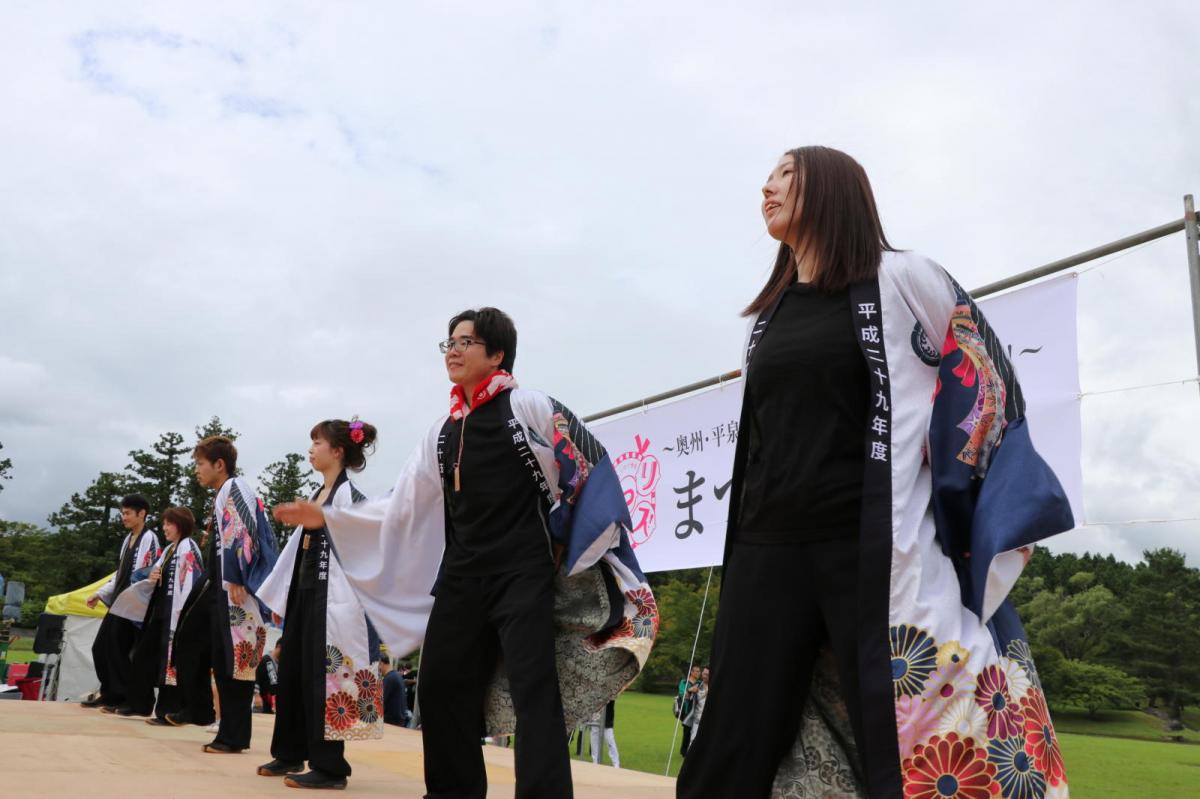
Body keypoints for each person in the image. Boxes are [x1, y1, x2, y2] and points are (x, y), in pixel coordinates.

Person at [676, 146, 1076, 799]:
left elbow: (987, 383)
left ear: (831, 188)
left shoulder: (905, 278)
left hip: (868, 547)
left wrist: (962, 510)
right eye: (768, 176)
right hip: (766, 546)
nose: (767, 187)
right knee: (732, 737)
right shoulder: (767, 315)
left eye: (785, 174)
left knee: (912, 728)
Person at [275, 307, 659, 799]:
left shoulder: (531, 407)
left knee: (535, 691)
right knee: (438, 687)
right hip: (461, 575)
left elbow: (590, 467)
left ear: (497, 354)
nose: (453, 350)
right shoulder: (442, 430)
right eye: (449, 343)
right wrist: (329, 516)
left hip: (523, 572)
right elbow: (402, 504)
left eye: (466, 342)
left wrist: (567, 541)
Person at [256, 419, 381, 790]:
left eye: (317, 442)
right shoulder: (317, 494)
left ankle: (330, 767)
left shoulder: (351, 498)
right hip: (305, 593)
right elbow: (297, 552)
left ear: (338, 451)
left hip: (333, 601)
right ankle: (290, 751)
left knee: (323, 675)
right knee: (293, 669)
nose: (311, 449)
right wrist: (283, 595)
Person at [167, 436, 279, 755]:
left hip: (235, 585)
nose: (197, 471)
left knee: (235, 660)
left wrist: (239, 576)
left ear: (219, 464)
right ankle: (201, 711)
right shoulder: (223, 492)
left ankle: (233, 735)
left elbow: (244, 531)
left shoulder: (234, 487)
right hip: (221, 582)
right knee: (204, 646)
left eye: (200, 464)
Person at [107, 507, 203, 721]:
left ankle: (166, 710)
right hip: (160, 613)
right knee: (142, 656)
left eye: (169, 523)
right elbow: (146, 574)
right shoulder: (170, 549)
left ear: (181, 525)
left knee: (170, 662)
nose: (165, 528)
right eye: (164, 523)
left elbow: (190, 583)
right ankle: (139, 703)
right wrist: (152, 574)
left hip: (175, 614)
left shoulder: (188, 546)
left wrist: (183, 617)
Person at [82, 494, 160, 711]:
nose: (123, 518)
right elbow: (121, 573)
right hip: (119, 601)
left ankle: (124, 696)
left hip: (132, 604)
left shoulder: (149, 538)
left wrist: (133, 602)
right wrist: (99, 593)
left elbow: (143, 575)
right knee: (101, 647)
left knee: (119, 650)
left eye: (127, 513)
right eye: (122, 513)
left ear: (141, 513)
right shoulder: (128, 540)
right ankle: (109, 692)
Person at [676, 665, 701, 757]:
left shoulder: (700, 682)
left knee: (696, 731)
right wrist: (690, 690)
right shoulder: (684, 682)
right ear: (691, 672)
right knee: (687, 732)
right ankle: (684, 752)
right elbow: (683, 695)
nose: (698, 673)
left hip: (698, 710)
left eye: (699, 671)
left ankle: (693, 750)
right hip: (687, 711)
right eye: (696, 671)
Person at [380, 655, 410, 727]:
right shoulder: (395, 676)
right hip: (397, 721)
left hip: (391, 722)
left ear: (380, 663)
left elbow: (380, 701)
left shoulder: (389, 678)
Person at [590, 700, 619, 768]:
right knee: (594, 739)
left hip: (607, 717)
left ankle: (616, 763)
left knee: (610, 739)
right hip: (596, 714)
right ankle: (595, 762)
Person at [257, 642, 280, 714]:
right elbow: (256, 678)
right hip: (262, 704)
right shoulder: (265, 660)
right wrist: (256, 694)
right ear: (279, 647)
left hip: (272, 706)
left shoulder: (280, 664)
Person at [689, 668, 709, 744]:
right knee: (693, 738)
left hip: (708, 718)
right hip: (697, 717)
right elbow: (688, 697)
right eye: (704, 674)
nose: (705, 676)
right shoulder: (697, 685)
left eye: (707, 675)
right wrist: (689, 690)